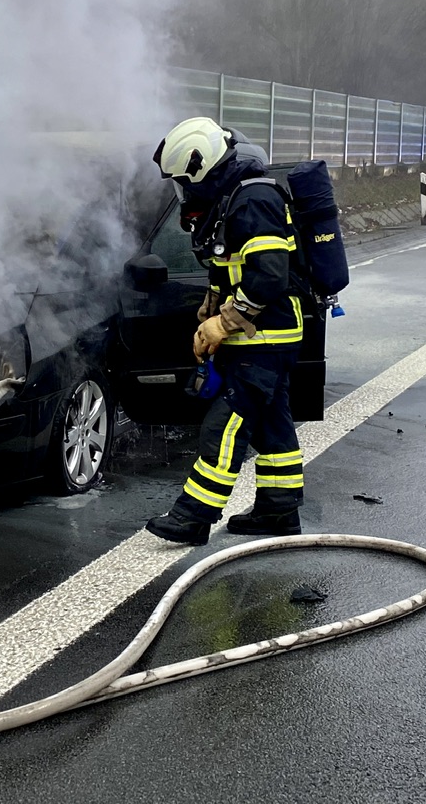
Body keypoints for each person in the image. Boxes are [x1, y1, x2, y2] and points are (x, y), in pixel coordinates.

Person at [144, 117, 305, 546]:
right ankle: (279, 510)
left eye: (183, 182)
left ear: (203, 169)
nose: (183, 192)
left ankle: (193, 517)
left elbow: (268, 277)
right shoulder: (236, 198)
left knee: (226, 423)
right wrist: (210, 311)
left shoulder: (252, 200)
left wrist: (224, 322)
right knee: (273, 425)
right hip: (263, 337)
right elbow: (233, 269)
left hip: (264, 338)